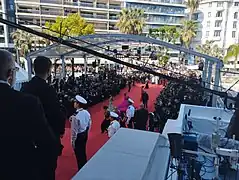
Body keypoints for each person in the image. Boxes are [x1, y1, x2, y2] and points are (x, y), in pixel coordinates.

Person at [0, 50, 59, 180]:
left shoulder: (26, 91)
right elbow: (46, 142)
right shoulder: (27, 102)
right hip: (19, 169)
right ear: (10, 74)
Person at [21, 56, 65, 180]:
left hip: (28, 138)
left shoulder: (25, 87)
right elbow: (55, 113)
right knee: (48, 172)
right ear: (49, 71)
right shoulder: (48, 90)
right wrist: (60, 130)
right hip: (47, 138)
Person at [70, 95, 91, 170]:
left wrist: (72, 142)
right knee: (83, 152)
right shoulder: (86, 112)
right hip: (84, 134)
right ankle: (85, 167)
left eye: (75, 102)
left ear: (78, 104)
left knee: (79, 156)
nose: (74, 103)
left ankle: (81, 170)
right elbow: (89, 124)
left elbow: (74, 131)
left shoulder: (75, 116)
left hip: (78, 137)